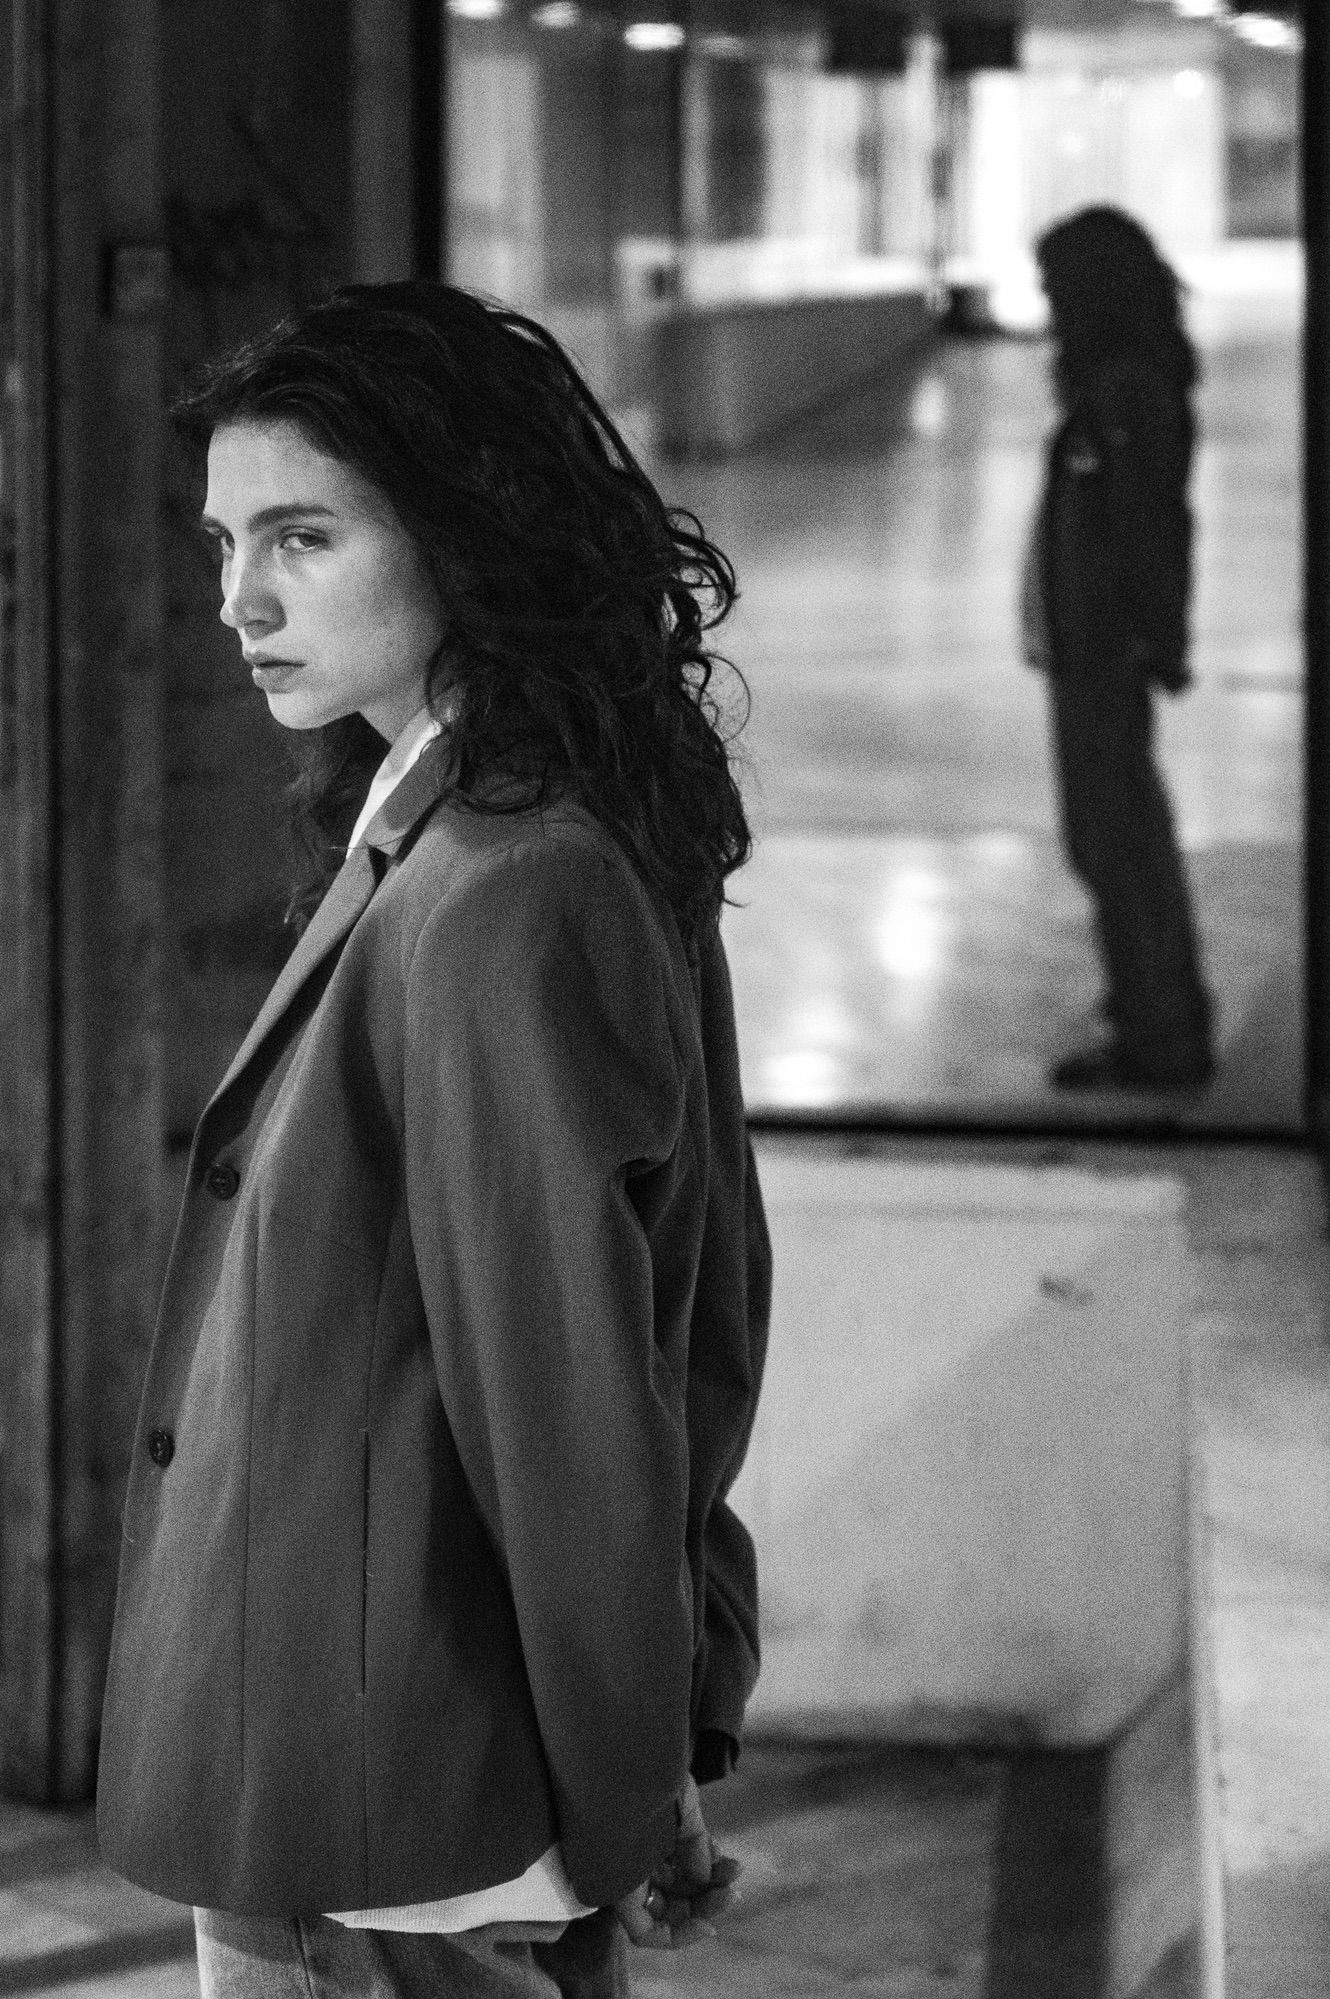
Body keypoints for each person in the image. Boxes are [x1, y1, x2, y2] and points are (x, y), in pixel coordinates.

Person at [95, 282, 772, 1999]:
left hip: (386, 1801)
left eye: (303, 536)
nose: (239, 598)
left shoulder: (502, 884)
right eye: (225, 540)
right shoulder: (490, 823)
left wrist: (633, 1790)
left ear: (466, 532)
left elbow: (578, 1403)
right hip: (388, 1762)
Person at [1023, 205, 1215, 1091]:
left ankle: (1161, 1033)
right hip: (1094, 642)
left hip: (1106, 646)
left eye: (1056, 286)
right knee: (1109, 832)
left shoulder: (1126, 391)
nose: (1048, 304)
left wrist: (1155, 635)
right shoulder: (1115, 384)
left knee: (1119, 838)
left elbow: (1148, 524)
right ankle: (1149, 1008)